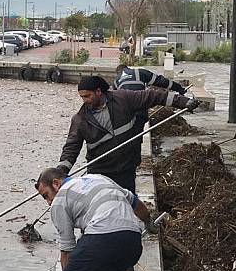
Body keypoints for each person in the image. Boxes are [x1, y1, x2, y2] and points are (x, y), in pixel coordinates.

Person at [57, 76, 200, 193]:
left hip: (126, 167)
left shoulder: (123, 99)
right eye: (82, 97)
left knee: (127, 204)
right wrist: (62, 170)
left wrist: (184, 102)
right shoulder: (80, 119)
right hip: (100, 172)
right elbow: (71, 147)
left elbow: (154, 95)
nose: (84, 101)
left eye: (87, 96)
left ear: (99, 91)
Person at [35, 168, 158, 271]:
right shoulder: (99, 178)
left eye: (46, 195)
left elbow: (67, 251)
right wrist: (148, 222)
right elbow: (136, 204)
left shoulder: (59, 200)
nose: (48, 203)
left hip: (102, 239)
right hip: (133, 244)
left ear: (56, 184)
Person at [114, 65, 188, 170]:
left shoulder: (116, 81)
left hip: (124, 112)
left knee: (126, 137)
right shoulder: (140, 72)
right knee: (137, 136)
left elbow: (114, 100)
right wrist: (179, 88)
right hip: (139, 108)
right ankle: (134, 163)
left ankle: (125, 162)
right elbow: (161, 81)